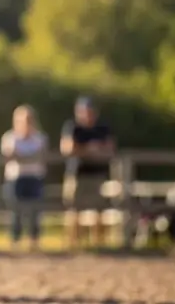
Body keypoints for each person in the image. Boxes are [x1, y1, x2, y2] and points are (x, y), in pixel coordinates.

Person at [60, 95, 115, 249]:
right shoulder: (72, 127)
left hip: (97, 174)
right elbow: (67, 148)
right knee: (73, 210)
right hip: (77, 174)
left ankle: (99, 244)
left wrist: (85, 150)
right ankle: (73, 243)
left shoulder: (102, 128)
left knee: (100, 210)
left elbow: (110, 149)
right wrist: (89, 149)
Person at [1, 104, 47, 251]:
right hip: (16, 178)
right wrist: (29, 157)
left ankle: (34, 240)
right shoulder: (9, 137)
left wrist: (21, 156)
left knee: (35, 211)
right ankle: (15, 239)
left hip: (34, 177)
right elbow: (10, 156)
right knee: (16, 211)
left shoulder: (40, 137)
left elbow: (40, 156)